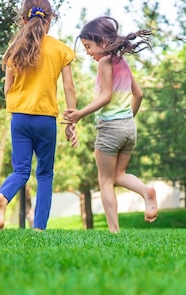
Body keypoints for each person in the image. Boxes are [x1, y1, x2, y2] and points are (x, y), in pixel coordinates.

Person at [63, 17, 158, 233]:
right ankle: (146, 191)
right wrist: (127, 119)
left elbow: (105, 96)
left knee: (105, 181)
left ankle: (114, 232)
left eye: (88, 46)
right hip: (128, 128)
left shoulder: (104, 62)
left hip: (110, 128)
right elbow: (139, 94)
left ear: (103, 43)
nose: (88, 52)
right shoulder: (122, 62)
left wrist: (79, 114)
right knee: (118, 175)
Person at [0, 0, 77, 231]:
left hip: (20, 117)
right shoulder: (60, 49)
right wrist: (72, 121)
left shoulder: (15, 48)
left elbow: (7, 89)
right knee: (45, 173)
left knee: (20, 171)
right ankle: (39, 228)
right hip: (46, 118)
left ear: (24, 19)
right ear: (50, 19)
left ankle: (3, 196)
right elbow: (69, 88)